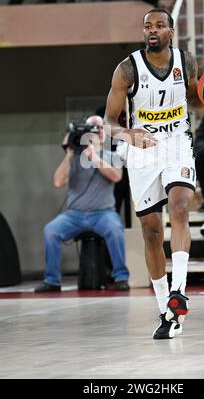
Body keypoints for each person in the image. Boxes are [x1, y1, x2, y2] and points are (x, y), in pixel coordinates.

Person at [104, 8, 204, 339]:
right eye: (148, 25)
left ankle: (179, 291)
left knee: (178, 207)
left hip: (177, 145)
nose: (153, 30)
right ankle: (166, 311)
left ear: (171, 32)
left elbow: (195, 101)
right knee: (150, 231)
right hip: (142, 150)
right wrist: (128, 134)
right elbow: (108, 122)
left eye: (160, 25)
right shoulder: (127, 69)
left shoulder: (187, 62)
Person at [35, 115, 130, 293]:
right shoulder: (76, 156)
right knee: (51, 231)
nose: (97, 132)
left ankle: (121, 277)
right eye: (92, 129)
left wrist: (94, 156)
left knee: (115, 230)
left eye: (100, 128)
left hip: (103, 213)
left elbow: (117, 177)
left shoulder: (113, 155)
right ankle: (52, 280)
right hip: (74, 215)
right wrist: (69, 155)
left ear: (104, 132)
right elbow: (57, 182)